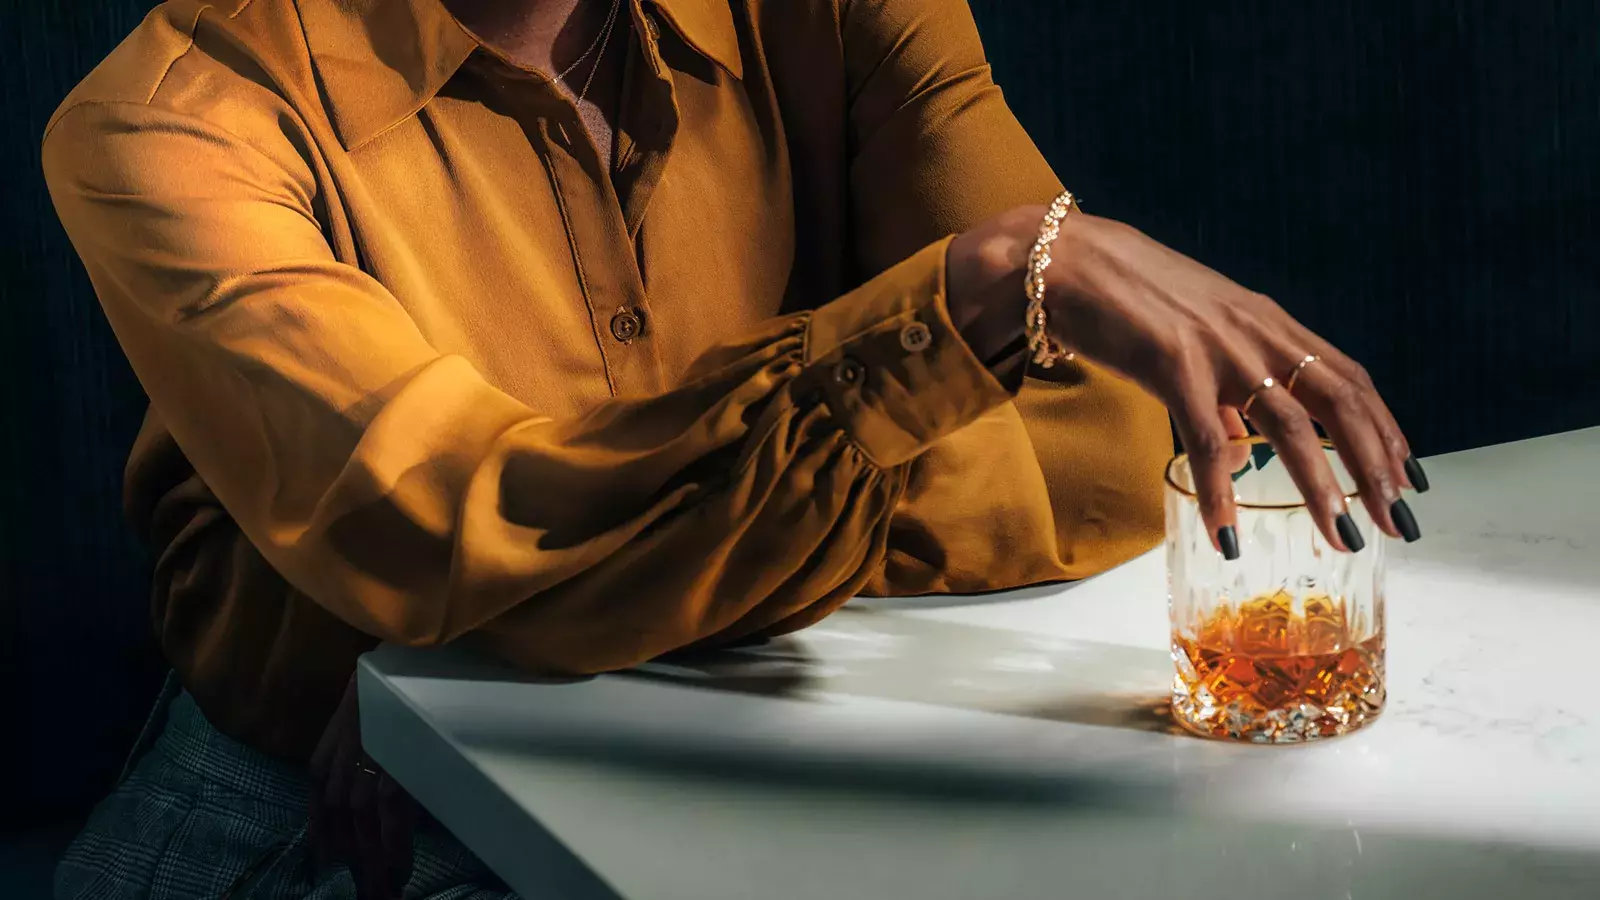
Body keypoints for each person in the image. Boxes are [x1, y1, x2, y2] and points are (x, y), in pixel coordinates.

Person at [42, 0, 1427, 897]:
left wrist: (498, 630)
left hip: (711, 700)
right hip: (328, 804)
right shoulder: (166, 123)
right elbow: (449, 520)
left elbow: (1106, 441)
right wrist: (945, 326)